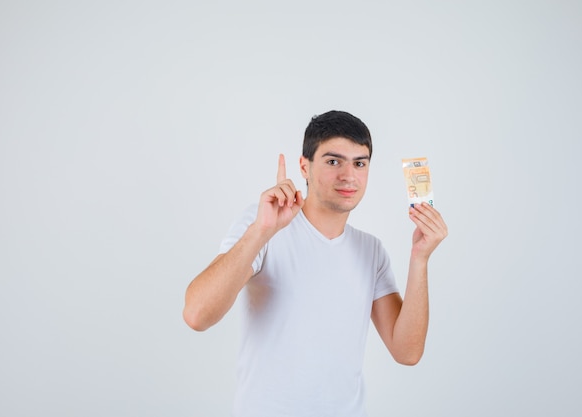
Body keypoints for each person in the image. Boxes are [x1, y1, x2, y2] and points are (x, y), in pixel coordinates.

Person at [183, 110, 448, 417]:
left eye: (359, 163)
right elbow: (196, 315)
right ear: (304, 167)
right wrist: (260, 232)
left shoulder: (371, 250)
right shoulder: (262, 226)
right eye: (333, 161)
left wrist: (420, 258)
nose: (348, 175)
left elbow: (407, 352)